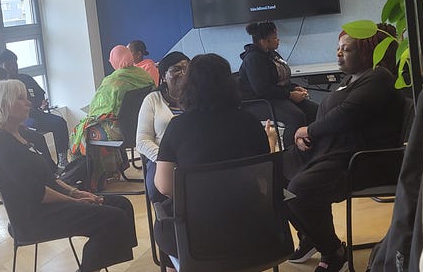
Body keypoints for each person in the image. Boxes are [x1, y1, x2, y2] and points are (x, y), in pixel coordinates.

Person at [285, 28, 406, 272]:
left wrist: (308, 131)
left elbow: (346, 115)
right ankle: (310, 236)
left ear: (366, 52)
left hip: (360, 160)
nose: (339, 53)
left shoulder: (378, 77)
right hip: (332, 152)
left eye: (346, 49)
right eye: (338, 48)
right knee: (275, 174)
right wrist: (307, 136)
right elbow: (331, 117)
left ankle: (333, 251)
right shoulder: (349, 80)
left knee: (300, 189)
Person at [0, 80, 137, 272]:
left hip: (49, 204)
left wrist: (77, 193)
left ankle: (96, 264)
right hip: (33, 218)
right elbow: (37, 192)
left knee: (122, 205)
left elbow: (51, 177)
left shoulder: (23, 134)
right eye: (21, 98)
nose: (29, 102)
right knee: (112, 218)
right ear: (3, 104)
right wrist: (75, 202)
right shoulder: (0, 143)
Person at [152, 54, 276, 269]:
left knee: (164, 223)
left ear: (188, 86)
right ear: (230, 83)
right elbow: (264, 177)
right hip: (250, 229)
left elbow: (164, 186)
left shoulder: (178, 127)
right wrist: (271, 142)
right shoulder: (250, 123)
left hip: (196, 235)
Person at [69, 45, 155, 191]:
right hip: (142, 128)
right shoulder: (144, 75)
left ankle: (92, 180)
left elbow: (96, 110)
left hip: (120, 132)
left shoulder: (112, 81)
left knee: (80, 132)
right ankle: (112, 170)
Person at [238, 21, 319, 150]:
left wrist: (293, 87)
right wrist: (289, 95)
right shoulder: (253, 59)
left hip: (276, 96)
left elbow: (279, 80)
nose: (278, 40)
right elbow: (262, 89)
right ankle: (290, 155)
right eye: (274, 38)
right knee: (296, 117)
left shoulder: (271, 54)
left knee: (316, 110)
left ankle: (311, 149)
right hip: (257, 101)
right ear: (264, 41)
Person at [135, 51, 190, 203]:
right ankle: (167, 224)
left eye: (187, 69)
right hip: (159, 158)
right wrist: (165, 158)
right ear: (164, 76)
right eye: (176, 69)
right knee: (157, 190)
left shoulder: (197, 99)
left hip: (192, 156)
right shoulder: (152, 100)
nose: (183, 74)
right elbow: (142, 141)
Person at [0, 49, 69, 166]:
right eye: (9, 65)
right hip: (21, 119)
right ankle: (48, 167)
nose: (13, 67)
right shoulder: (3, 86)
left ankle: (63, 160)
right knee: (37, 136)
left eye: (15, 64)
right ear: (1, 66)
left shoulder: (25, 78)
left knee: (60, 122)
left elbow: (40, 93)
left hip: (35, 113)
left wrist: (40, 104)